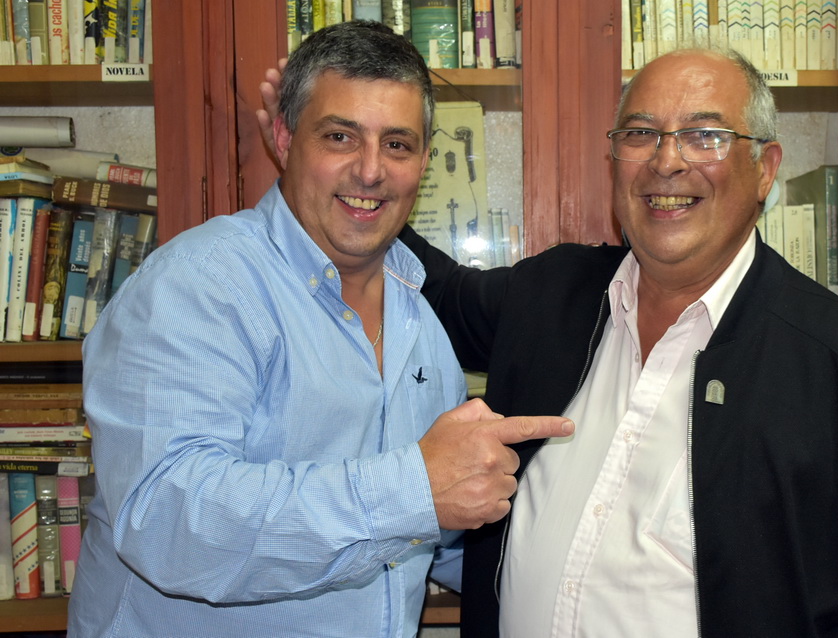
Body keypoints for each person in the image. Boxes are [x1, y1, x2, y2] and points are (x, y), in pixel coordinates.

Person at [258, 47, 838, 636]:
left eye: (705, 135)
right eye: (641, 134)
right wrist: (331, 172)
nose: (667, 162)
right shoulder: (551, 298)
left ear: (765, 169)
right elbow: (440, 290)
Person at [68, 21, 572, 638]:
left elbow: (430, 534)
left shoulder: (421, 321)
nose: (370, 171)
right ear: (284, 137)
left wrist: (583, 564)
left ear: (422, 161)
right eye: (340, 136)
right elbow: (166, 520)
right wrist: (411, 489)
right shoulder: (199, 282)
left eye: (397, 144)